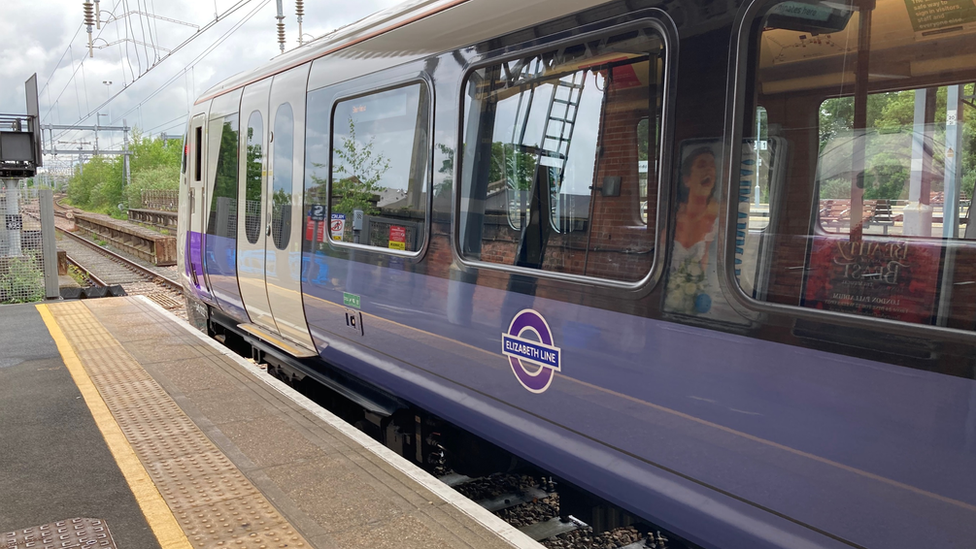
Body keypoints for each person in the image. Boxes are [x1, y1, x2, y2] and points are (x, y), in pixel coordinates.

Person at [665, 146, 720, 315]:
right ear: (687, 180)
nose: (709, 169)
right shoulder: (671, 216)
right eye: (702, 165)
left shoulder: (719, 215)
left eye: (712, 166)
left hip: (701, 297)